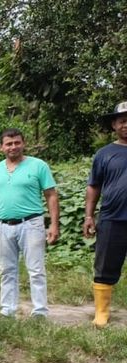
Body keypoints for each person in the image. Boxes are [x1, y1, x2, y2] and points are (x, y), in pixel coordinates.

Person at [0, 128, 59, 318]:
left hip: (31, 224)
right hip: (2, 226)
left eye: (17, 142)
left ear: (23, 144)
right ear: (1, 147)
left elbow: (51, 195)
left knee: (36, 269)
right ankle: (7, 309)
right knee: (6, 270)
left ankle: (40, 311)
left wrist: (54, 225)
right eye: (8, 144)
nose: (13, 147)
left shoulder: (38, 166)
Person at [84, 100, 127, 327]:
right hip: (112, 218)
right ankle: (102, 312)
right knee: (105, 266)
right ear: (114, 125)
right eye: (122, 121)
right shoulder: (104, 154)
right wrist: (89, 216)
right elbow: (94, 186)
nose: (126, 125)